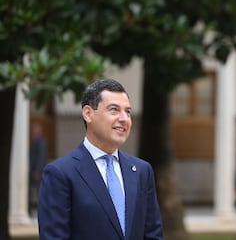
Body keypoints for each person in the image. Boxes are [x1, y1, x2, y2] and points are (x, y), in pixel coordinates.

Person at [38, 79, 163, 240]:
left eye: (128, 112)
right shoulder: (60, 174)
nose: (124, 118)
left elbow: (153, 234)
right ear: (88, 114)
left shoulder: (141, 171)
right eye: (114, 110)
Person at [29, 122, 47, 216]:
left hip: (37, 171)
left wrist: (37, 170)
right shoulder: (36, 141)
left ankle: (38, 211)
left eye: (34, 130)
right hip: (35, 171)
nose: (33, 132)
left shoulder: (40, 141)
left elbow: (40, 157)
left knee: (38, 191)